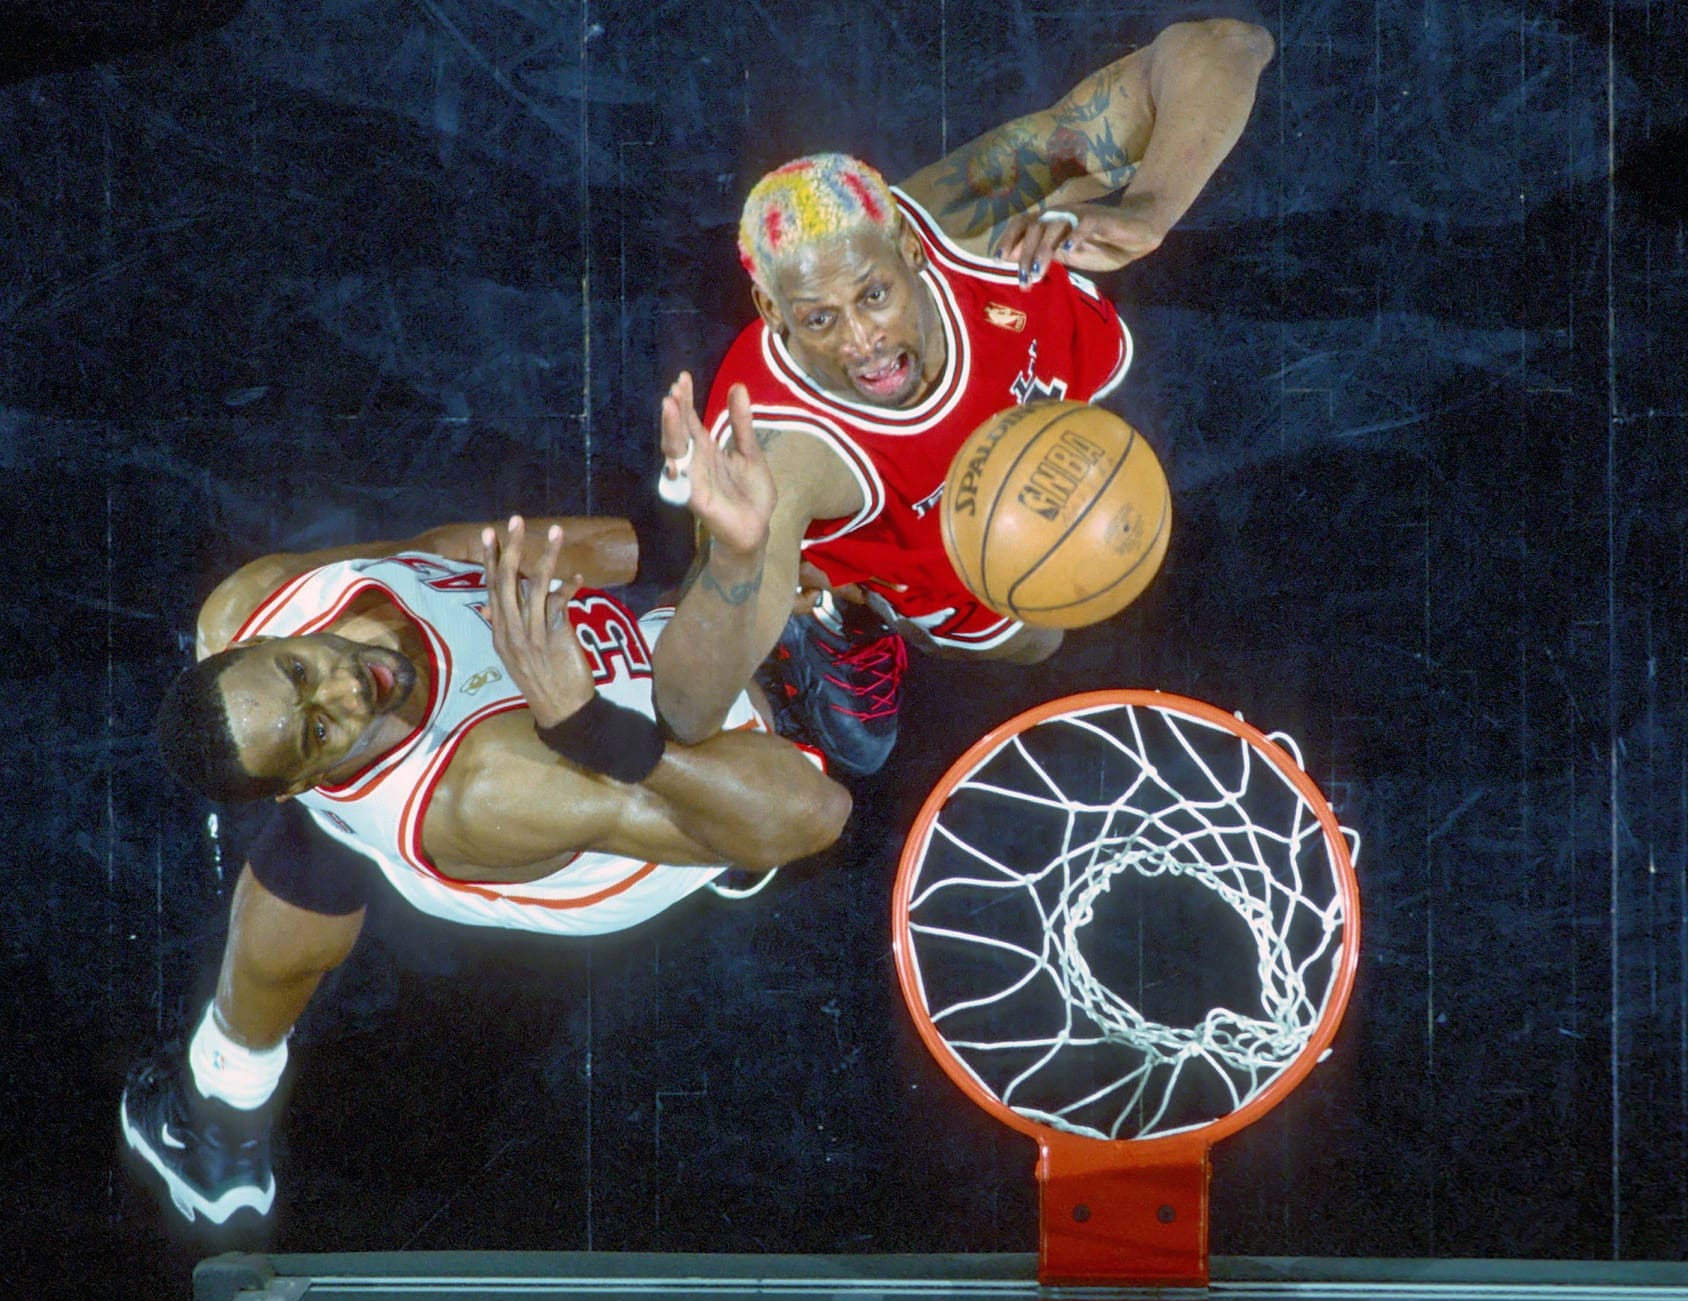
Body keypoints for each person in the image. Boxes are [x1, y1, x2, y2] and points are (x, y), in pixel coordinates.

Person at [123, 515, 849, 1224]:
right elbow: (807, 816)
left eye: (299, 669)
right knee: (328, 843)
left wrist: (688, 536)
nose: (349, 690)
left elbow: (443, 550)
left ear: (270, 636)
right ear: (298, 778)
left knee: (317, 851)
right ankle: (220, 1106)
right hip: (678, 812)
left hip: (625, 682)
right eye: (319, 731)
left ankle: (219, 1112)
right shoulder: (484, 790)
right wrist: (588, 726)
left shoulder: (254, 599)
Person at [653, 19, 1275, 776]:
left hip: (1041, 426)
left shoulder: (973, 214)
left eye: (874, 294)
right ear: (773, 312)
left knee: (1062, 597)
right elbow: (683, 715)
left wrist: (1153, 205)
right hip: (902, 532)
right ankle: (838, 606)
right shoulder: (784, 451)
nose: (860, 341)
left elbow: (1228, 45)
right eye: (818, 319)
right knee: (1036, 637)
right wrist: (740, 557)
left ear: (913, 250)